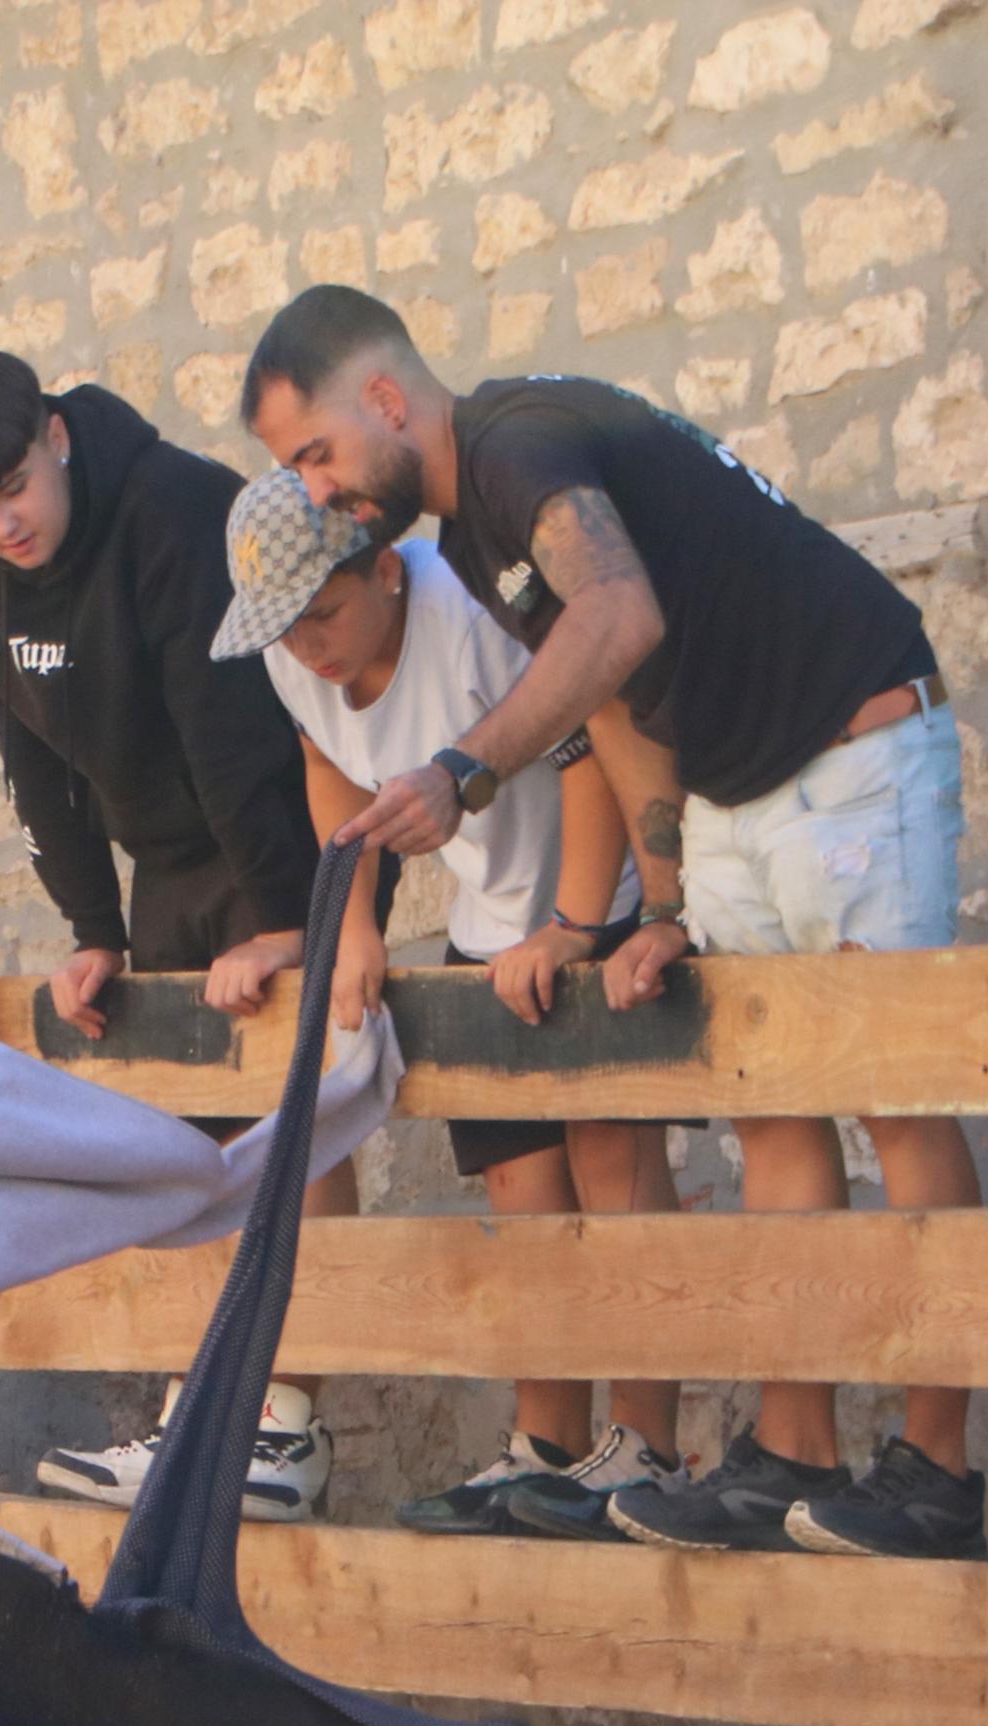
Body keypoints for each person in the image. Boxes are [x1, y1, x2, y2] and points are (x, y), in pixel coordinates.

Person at [244, 285, 988, 1562]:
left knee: (896, 1100)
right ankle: (789, 1453)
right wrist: (657, 903)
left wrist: (461, 771)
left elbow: (615, 619)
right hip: (740, 788)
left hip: (853, 748)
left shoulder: (514, 448)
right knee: (770, 1113)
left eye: (313, 454)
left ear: (382, 399)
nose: (315, 491)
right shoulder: (478, 528)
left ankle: (935, 1470)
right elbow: (624, 703)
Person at [203, 463, 690, 1540]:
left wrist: (569, 922)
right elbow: (328, 765)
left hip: (592, 902)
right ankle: (547, 1446)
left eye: (324, 613)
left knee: (612, 1166)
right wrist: (358, 923)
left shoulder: (467, 612)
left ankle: (643, 1447)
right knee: (521, 1192)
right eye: (284, 632)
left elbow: (584, 750)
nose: (309, 647)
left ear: (382, 567)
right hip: (484, 930)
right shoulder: (299, 664)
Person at [0, 346, 345, 1520]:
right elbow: (28, 744)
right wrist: (92, 925)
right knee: (180, 1138)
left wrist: (282, 921)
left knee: (291, 1113)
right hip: (161, 857)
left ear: (54, 434)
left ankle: (284, 1427)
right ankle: (205, 1415)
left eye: (9, 491)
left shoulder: (167, 506)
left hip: (269, 826)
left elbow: (232, 737)